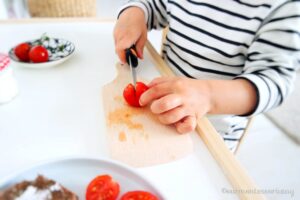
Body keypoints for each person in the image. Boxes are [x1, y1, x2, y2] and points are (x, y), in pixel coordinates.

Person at [113, 0, 300, 151]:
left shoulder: (284, 7)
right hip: (159, 106)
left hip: (211, 134)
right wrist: (136, 12)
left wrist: (208, 95)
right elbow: (157, 5)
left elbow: (274, 82)